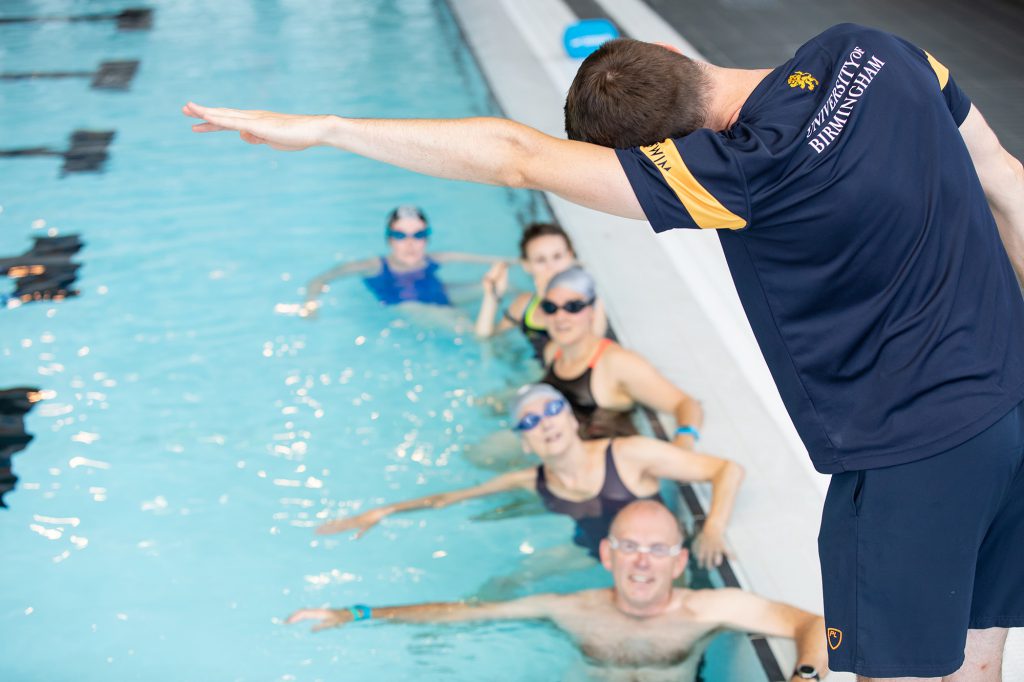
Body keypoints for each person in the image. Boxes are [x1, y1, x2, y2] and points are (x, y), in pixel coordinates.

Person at [184, 22, 1024, 678]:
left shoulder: (739, 172)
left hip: (913, 455)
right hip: (1011, 414)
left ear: (647, 157)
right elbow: (1006, 180)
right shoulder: (874, 51)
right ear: (669, 51)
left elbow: (517, 160)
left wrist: (328, 126)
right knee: (976, 656)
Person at [291, 500, 827, 682]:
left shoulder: (707, 610)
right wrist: (357, 612)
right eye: (629, 547)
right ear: (606, 555)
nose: (642, 561)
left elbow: (812, 627)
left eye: (658, 549)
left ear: (680, 561)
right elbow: (462, 614)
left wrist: (804, 677)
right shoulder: (570, 609)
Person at [318, 383, 742, 569]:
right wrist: (382, 511)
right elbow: (448, 499)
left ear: (573, 420)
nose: (545, 423)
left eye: (553, 410)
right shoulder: (530, 479)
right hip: (591, 551)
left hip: (649, 561)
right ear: (524, 442)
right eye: (530, 421)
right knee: (503, 584)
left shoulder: (627, 455)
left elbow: (727, 470)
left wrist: (713, 529)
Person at [541, 266, 703, 448]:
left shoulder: (616, 363)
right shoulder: (553, 351)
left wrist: (684, 440)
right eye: (550, 307)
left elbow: (685, 403)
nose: (560, 317)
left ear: (593, 310)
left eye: (573, 307)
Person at [301, 205, 503, 314]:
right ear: (389, 239)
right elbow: (322, 278)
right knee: (463, 323)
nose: (410, 243)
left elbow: (494, 260)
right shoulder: (374, 266)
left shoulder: (434, 259)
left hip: (440, 295)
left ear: (427, 238)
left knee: (506, 288)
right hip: (408, 307)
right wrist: (311, 303)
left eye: (418, 235)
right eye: (400, 236)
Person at [475, 221, 606, 359]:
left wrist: (549, 300)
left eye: (557, 257)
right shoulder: (525, 304)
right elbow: (486, 342)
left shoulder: (590, 305)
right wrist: (491, 297)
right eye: (540, 260)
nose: (551, 267)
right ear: (527, 265)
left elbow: (583, 357)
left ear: (570, 257)